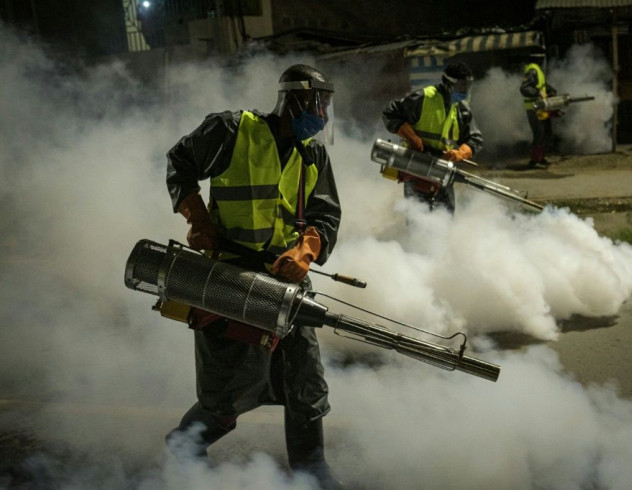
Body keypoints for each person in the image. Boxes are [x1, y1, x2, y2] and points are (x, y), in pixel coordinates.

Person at [164, 63, 343, 489]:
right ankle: (184, 446)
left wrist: (305, 250)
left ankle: (310, 469)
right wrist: (197, 216)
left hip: (288, 284)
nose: (322, 114)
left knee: (305, 381)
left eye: (326, 105)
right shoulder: (231, 130)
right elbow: (180, 162)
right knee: (227, 389)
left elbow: (325, 214)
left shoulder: (312, 153)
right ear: (293, 100)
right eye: (317, 104)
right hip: (230, 279)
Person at [382, 61, 483, 213]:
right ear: (449, 84)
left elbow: (475, 140)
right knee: (417, 215)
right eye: (461, 86)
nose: (465, 92)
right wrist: (412, 138)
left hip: (443, 169)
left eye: (467, 86)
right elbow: (390, 113)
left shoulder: (462, 109)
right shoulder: (424, 98)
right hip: (416, 165)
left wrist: (460, 153)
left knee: (445, 215)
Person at [520, 58, 557, 169]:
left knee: (545, 132)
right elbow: (524, 88)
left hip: (540, 107)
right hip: (534, 108)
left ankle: (540, 158)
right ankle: (535, 160)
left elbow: (541, 86)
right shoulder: (533, 70)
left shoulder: (537, 70)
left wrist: (550, 90)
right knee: (539, 134)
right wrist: (538, 92)